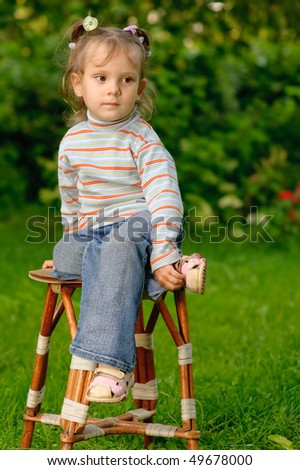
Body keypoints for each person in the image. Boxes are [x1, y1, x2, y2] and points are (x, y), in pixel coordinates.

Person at [43, 16, 206, 404]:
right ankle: (174, 268)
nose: (114, 89)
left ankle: (113, 365)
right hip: (92, 231)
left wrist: (164, 245)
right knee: (66, 255)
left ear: (140, 87)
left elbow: (164, 195)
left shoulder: (141, 139)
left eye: (126, 80)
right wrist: (70, 244)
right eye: (101, 78)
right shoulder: (72, 142)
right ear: (78, 84)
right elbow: (73, 202)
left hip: (140, 225)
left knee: (119, 246)